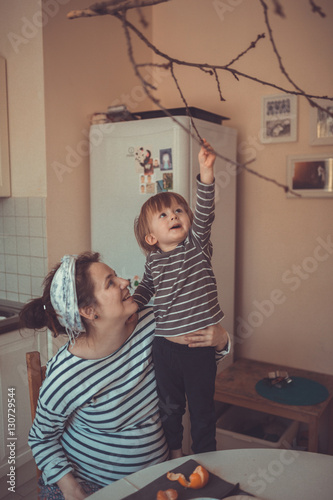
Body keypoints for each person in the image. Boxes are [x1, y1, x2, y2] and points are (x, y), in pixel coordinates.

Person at [20, 251, 228, 500]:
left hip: (155, 479)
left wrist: (220, 341)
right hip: (92, 486)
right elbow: (42, 438)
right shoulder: (67, 374)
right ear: (89, 311)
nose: (126, 282)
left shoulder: (156, 325)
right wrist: (72, 489)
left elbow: (195, 370)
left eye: (117, 276)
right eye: (111, 282)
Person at [133, 139, 230, 459]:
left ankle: (205, 462)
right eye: (162, 215)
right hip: (164, 348)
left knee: (203, 413)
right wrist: (131, 307)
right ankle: (174, 455)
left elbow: (205, 213)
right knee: (170, 409)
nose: (173, 215)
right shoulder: (152, 262)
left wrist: (206, 171)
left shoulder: (196, 246)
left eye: (178, 210)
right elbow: (145, 291)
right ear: (151, 238)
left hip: (196, 349)